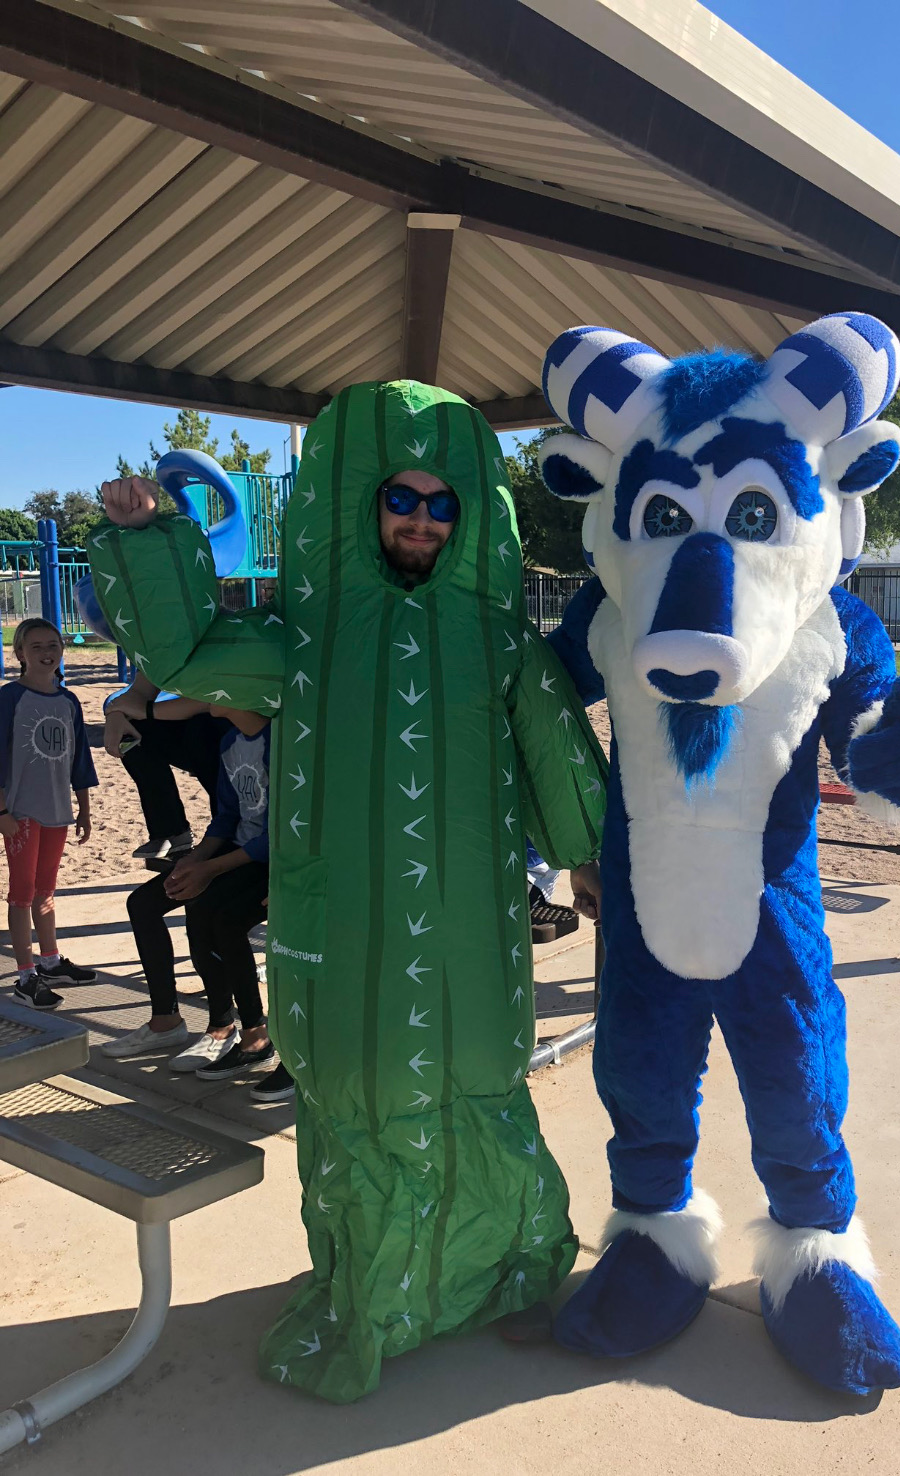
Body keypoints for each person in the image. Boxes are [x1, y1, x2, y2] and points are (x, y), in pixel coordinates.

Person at [89, 378, 607, 1403]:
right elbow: (183, 652)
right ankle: (377, 1293)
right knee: (365, 1104)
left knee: (480, 1093)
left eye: (441, 502)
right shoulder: (301, 643)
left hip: (472, 949)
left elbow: (557, 760)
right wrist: (155, 540)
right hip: (350, 946)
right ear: (358, 506)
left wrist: (596, 868)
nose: (419, 519)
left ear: (468, 515)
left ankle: (504, 1270)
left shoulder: (498, 643)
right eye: (399, 498)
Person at [103, 702, 292, 1102]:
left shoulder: (284, 741)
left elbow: (284, 829)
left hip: (277, 862)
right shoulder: (228, 742)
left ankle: (258, 1037)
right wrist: (196, 860)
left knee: (222, 918)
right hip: (241, 852)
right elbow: (227, 818)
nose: (199, 696)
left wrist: (212, 867)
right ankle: (229, 1031)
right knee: (177, 900)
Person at [0, 618, 97, 1010]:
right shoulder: (9, 698)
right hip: (21, 813)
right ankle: (26, 974)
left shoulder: (69, 700)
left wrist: (84, 808)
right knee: (22, 894)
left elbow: (79, 760)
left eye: (52, 645)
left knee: (47, 891)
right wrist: (2, 810)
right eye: (36, 646)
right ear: (21, 653)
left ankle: (51, 959)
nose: (45, 652)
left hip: (58, 811)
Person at [104, 673, 227, 860]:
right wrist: (116, 714)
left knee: (201, 730)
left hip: (235, 727)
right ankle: (170, 832)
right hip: (199, 724)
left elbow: (221, 700)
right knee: (134, 730)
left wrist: (147, 710)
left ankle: (226, 837)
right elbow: (140, 689)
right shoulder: (162, 646)